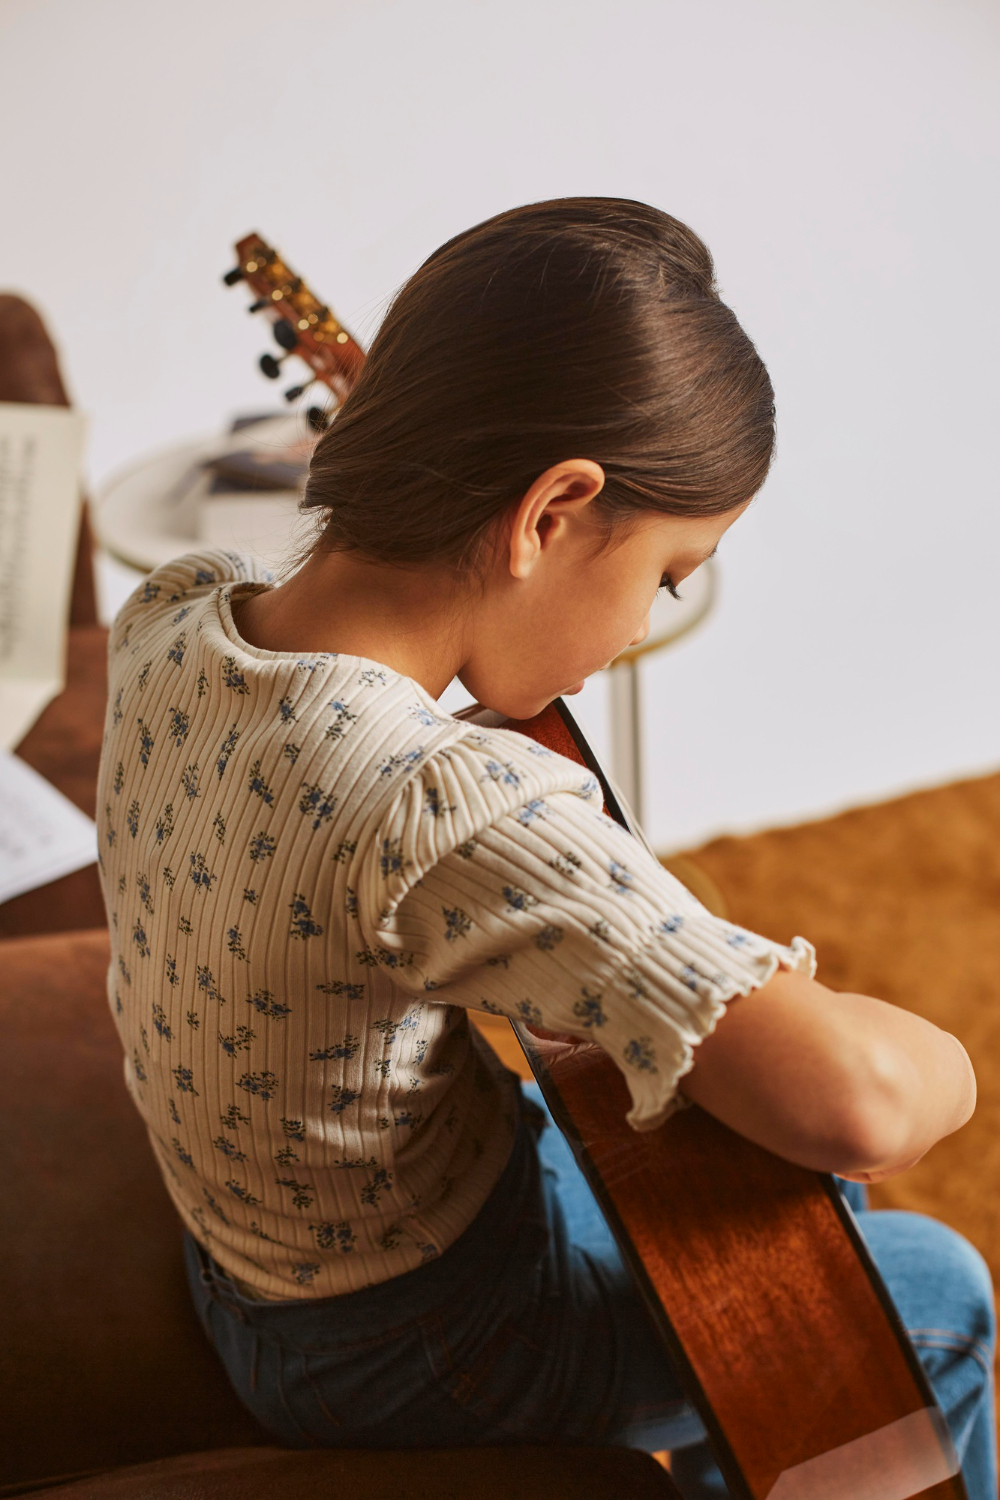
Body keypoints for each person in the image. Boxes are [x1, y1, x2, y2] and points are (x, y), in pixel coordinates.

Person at [95, 198, 995, 1497]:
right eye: (669, 576)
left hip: (252, 1256)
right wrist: (950, 1063)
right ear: (551, 513)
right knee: (934, 1294)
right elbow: (852, 1101)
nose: (644, 623)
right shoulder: (437, 803)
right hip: (407, 1344)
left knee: (781, 1217)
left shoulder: (171, 616)